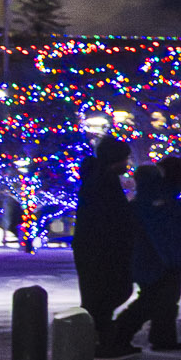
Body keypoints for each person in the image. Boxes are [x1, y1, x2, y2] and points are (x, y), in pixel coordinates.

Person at [102, 156, 181, 357]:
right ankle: (117, 337)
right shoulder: (159, 198)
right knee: (151, 301)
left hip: (156, 258)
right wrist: (170, 261)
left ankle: (162, 337)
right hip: (158, 259)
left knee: (166, 299)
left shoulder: (157, 196)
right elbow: (162, 230)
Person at [70, 135, 135, 328]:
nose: (127, 163)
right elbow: (110, 215)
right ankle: (99, 337)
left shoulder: (100, 179)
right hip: (102, 248)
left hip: (97, 246)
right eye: (124, 159)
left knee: (102, 295)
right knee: (109, 292)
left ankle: (100, 336)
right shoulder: (102, 183)